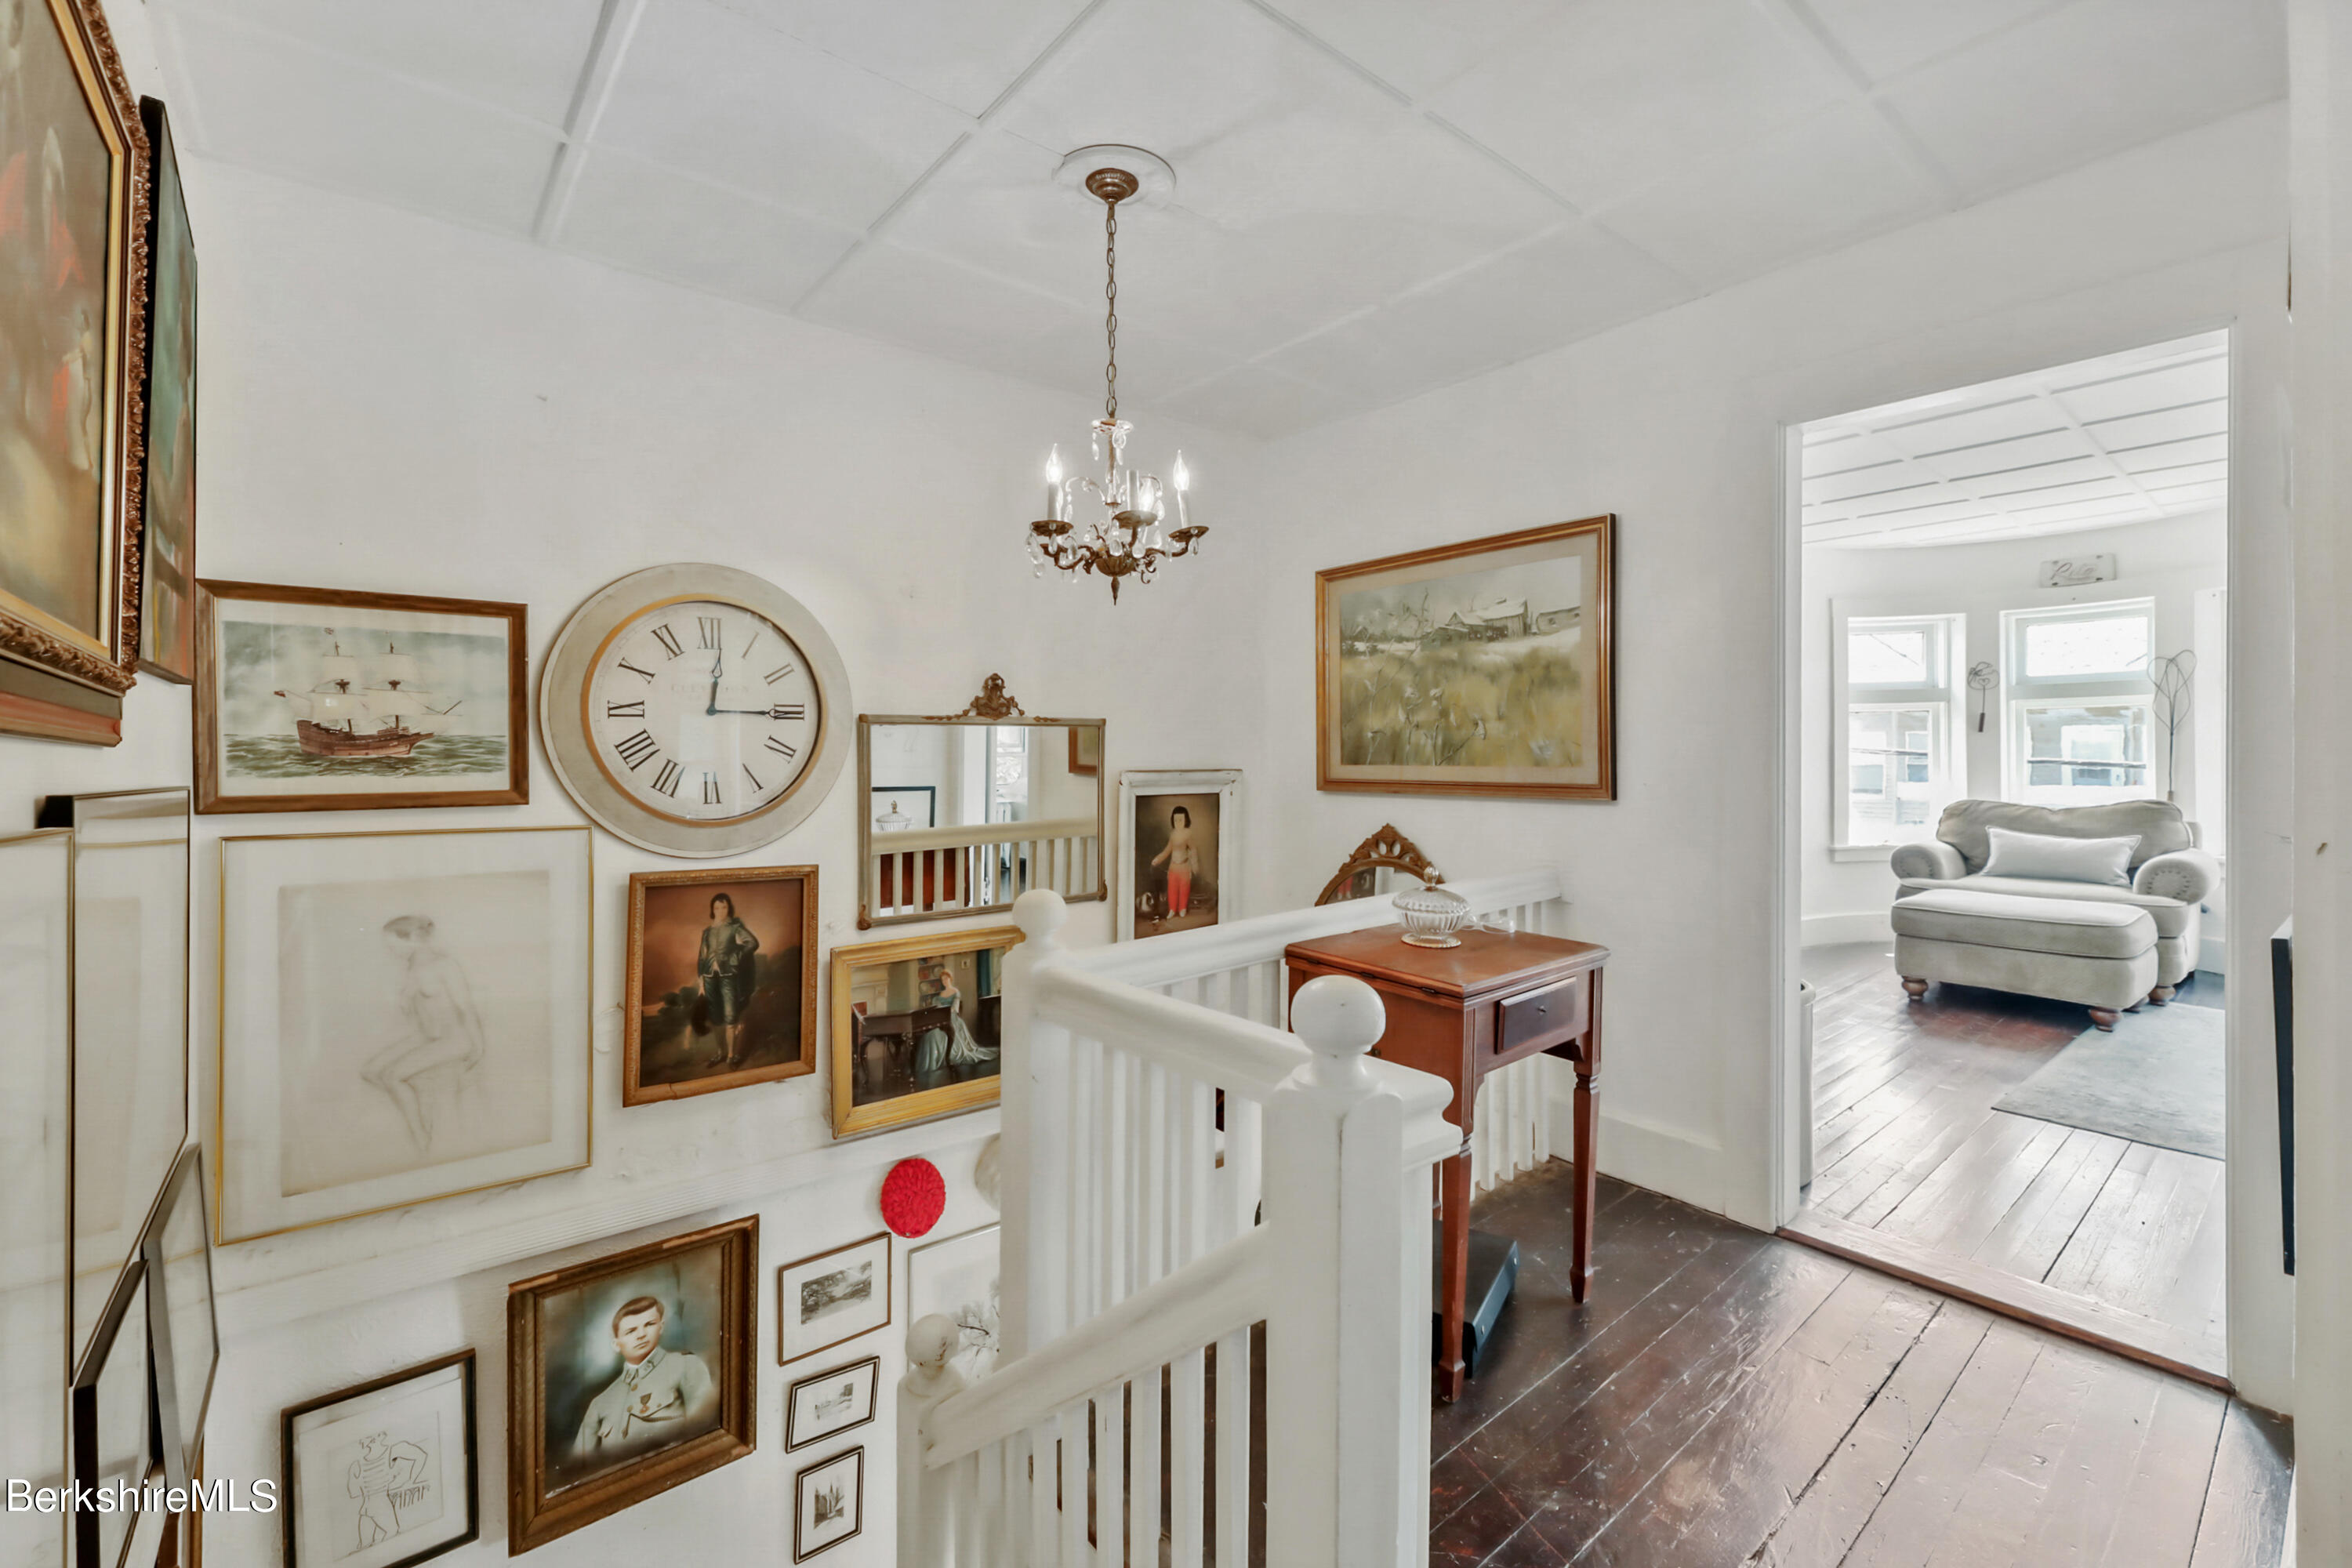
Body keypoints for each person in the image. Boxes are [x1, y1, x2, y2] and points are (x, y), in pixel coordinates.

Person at [361, 915, 486, 1151]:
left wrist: (478, 1045)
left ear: (414, 939)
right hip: (428, 1037)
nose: (390, 950)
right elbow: (419, 1014)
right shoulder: (412, 967)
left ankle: (421, 1138)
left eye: (393, 944)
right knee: (369, 1071)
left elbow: (466, 1008)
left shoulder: (445, 965)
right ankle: (419, 1105)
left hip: (454, 1039)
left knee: (392, 1077)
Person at [571, 1295, 717, 1465]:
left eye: (649, 1324)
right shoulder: (600, 1403)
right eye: (631, 1331)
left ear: (661, 1326)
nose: (641, 1335)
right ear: (616, 1344)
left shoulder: (685, 1366)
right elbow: (579, 1466)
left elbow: (703, 1433)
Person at [696, 892, 760, 1066]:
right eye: (717, 908)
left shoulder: (735, 928)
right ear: (712, 910)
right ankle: (720, 1053)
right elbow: (702, 957)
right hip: (709, 978)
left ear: (729, 908)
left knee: (730, 1016)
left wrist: (736, 956)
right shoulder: (707, 932)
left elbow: (753, 943)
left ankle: (731, 1056)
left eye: (724, 907)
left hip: (728, 976)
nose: (720, 911)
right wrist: (701, 981)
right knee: (715, 1018)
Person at [913, 959, 999, 1083]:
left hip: (953, 1019)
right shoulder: (940, 995)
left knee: (945, 1033)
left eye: (946, 979)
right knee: (931, 1035)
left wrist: (945, 1011)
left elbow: (955, 1009)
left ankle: (946, 1057)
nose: (945, 981)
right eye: (943, 980)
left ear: (950, 979)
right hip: (940, 1018)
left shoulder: (955, 992)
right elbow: (937, 1008)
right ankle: (930, 1062)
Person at [1149, 804, 1201, 923]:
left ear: (1186, 820)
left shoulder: (1188, 834)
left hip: (1185, 866)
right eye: (1176, 820)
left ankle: (1182, 908)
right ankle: (1172, 909)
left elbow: (1193, 850)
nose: (1178, 823)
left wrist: (1195, 866)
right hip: (1173, 867)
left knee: (1184, 888)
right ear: (1172, 820)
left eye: (1180, 820)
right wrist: (1158, 859)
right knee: (1172, 888)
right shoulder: (1173, 834)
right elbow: (1167, 850)